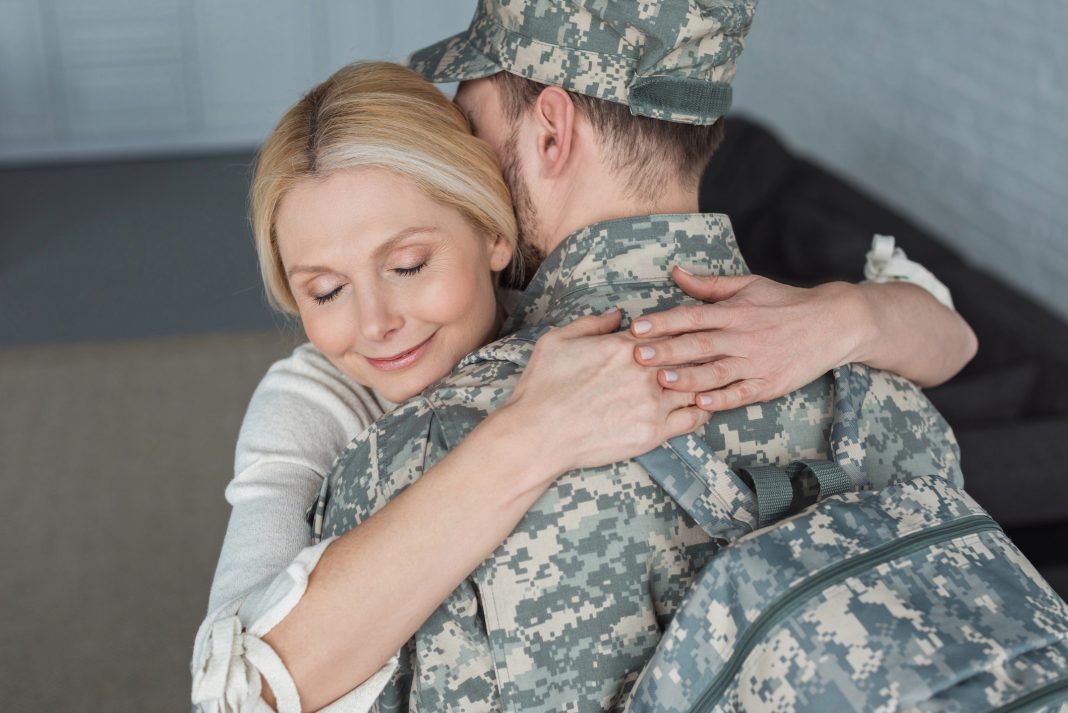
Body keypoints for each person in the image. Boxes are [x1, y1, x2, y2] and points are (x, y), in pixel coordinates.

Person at [192, 17, 974, 713]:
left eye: (471, 120)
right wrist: (865, 314)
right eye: (325, 289)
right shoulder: (880, 380)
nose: (467, 148)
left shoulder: (412, 466)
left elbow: (244, 690)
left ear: (550, 133)